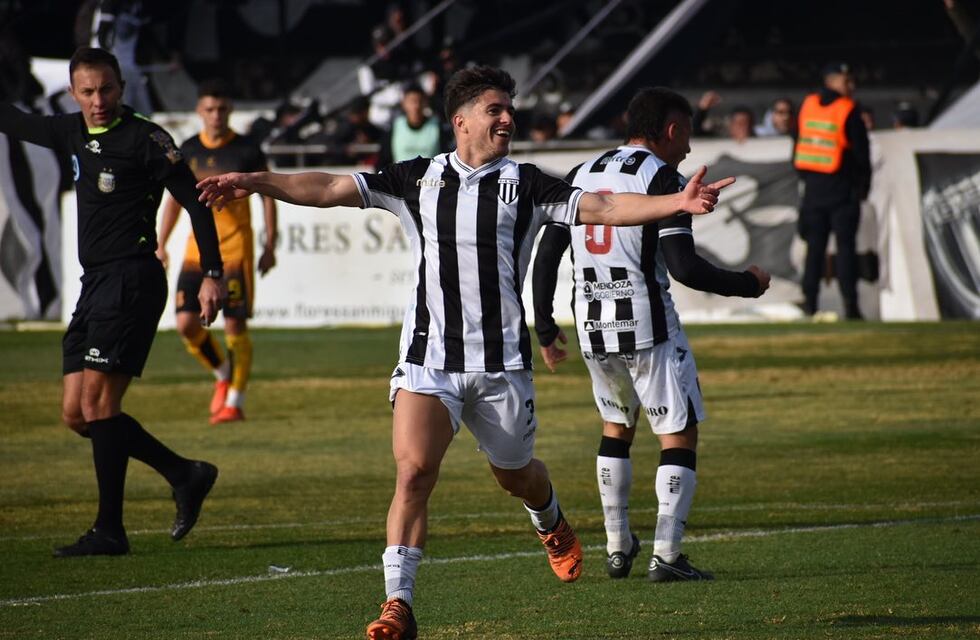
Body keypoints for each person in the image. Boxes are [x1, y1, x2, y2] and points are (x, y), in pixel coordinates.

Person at [197, 66, 734, 640]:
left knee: (517, 477)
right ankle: (397, 604)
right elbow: (329, 188)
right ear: (461, 121)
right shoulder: (416, 180)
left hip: (501, 367)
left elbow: (603, 208)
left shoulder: (527, 184)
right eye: (495, 110)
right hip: (429, 359)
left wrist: (676, 201)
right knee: (413, 473)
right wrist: (257, 180)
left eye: (509, 109)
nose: (508, 118)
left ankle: (549, 517)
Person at [532, 86, 770, 584]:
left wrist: (547, 326)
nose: (687, 147)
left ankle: (618, 548)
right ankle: (667, 554)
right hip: (647, 325)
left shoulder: (582, 173)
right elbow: (684, 268)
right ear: (671, 130)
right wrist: (747, 285)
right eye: (686, 134)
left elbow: (547, 251)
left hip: (594, 326)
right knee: (678, 433)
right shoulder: (665, 179)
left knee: (616, 427)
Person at [0, 47, 223, 556]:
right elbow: (12, 120)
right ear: (74, 93)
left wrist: (212, 274)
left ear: (121, 86)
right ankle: (184, 473)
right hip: (95, 283)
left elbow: (196, 203)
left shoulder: (146, 139)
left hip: (133, 280)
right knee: (77, 415)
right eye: (88, 92)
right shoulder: (70, 130)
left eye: (107, 89)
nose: (98, 101)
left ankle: (109, 530)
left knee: (101, 406)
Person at [156, 79, 278, 425]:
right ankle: (223, 373)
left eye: (222, 108)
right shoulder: (189, 150)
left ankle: (235, 402)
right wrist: (161, 244)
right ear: (199, 111)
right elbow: (175, 200)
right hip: (198, 250)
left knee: (235, 326)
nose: (216, 115)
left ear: (230, 110)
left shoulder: (247, 150)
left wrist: (270, 244)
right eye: (209, 109)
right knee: (185, 324)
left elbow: (268, 195)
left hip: (236, 250)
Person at [793, 61, 871, 319]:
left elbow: (798, 147)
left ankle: (810, 303)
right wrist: (863, 187)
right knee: (845, 249)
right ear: (831, 81)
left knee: (814, 250)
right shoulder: (848, 109)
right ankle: (851, 306)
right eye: (846, 81)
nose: (852, 86)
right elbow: (861, 155)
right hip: (842, 192)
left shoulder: (807, 105)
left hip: (813, 192)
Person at [378, 83, 446, 166]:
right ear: (404, 104)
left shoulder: (437, 127)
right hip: (400, 177)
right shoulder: (394, 128)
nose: (416, 106)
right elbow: (383, 160)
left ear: (426, 103)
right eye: (412, 101)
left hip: (431, 178)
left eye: (420, 101)